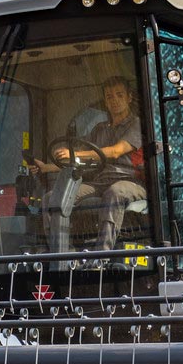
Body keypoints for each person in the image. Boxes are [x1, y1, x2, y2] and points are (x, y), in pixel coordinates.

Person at [46, 76, 146, 253]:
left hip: (130, 181)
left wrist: (75, 154)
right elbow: (79, 159)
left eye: (119, 95)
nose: (114, 100)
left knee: (115, 192)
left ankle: (102, 254)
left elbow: (115, 151)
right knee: (52, 197)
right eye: (109, 97)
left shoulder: (138, 125)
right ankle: (64, 254)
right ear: (105, 102)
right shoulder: (100, 129)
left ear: (129, 97)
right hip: (100, 182)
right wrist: (46, 167)